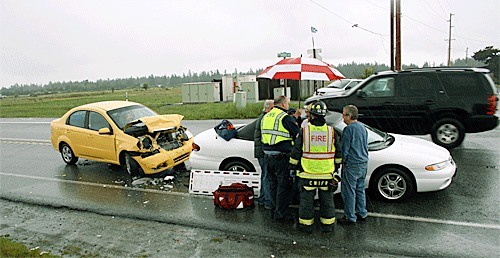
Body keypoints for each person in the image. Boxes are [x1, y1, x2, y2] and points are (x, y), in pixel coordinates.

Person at [289, 101, 342, 233]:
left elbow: (296, 152)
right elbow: (339, 153)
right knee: (327, 202)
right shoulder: (331, 132)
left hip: (307, 174)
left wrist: (292, 167)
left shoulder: (305, 131)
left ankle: (306, 226)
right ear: (325, 116)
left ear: (311, 116)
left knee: (306, 203)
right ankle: (328, 226)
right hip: (327, 174)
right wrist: (336, 168)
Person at [261, 95, 300, 221]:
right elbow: (297, 134)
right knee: (283, 186)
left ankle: (274, 209)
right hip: (281, 156)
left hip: (268, 155)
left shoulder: (266, 116)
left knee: (273, 184)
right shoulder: (284, 117)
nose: (288, 105)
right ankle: (281, 213)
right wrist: (296, 120)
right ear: (283, 104)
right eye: (287, 103)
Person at [338, 105, 369, 225]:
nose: (342, 117)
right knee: (360, 189)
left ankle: (350, 216)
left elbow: (345, 148)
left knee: (349, 191)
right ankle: (362, 212)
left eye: (344, 114)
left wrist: (342, 161)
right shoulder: (362, 127)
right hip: (363, 163)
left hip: (352, 164)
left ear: (349, 116)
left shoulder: (349, 129)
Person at [254, 99, 274, 209]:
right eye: (273, 108)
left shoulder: (261, 118)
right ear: (268, 109)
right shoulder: (265, 119)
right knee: (266, 177)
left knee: (264, 176)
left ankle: (262, 199)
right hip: (263, 152)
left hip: (260, 151)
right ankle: (267, 201)